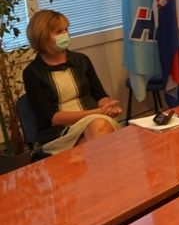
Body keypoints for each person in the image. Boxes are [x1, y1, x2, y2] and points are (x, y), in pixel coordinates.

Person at [22, 10, 121, 155]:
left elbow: (100, 95)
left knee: (97, 131)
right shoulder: (33, 72)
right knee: (101, 133)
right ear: (42, 37)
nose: (65, 34)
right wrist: (98, 112)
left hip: (94, 122)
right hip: (59, 132)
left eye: (66, 29)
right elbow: (52, 118)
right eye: (59, 31)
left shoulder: (81, 60)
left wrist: (108, 107)